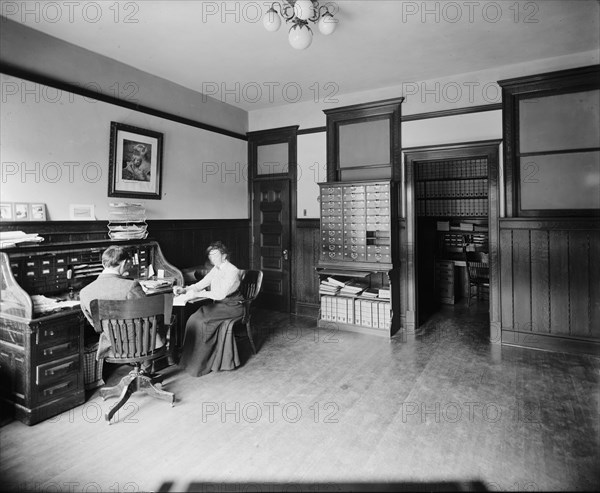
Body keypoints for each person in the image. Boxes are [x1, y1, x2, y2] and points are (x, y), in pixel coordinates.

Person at [80, 245, 164, 362]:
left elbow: (95, 324)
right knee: (164, 318)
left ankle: (142, 370)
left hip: (113, 345)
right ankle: (146, 368)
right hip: (140, 344)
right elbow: (149, 315)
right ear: (124, 263)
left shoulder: (84, 292)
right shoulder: (131, 286)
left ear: (103, 264)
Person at [174, 241, 244, 377]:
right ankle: (188, 362)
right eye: (210, 255)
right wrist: (185, 289)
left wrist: (198, 294)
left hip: (233, 306)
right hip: (220, 305)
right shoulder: (216, 269)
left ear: (224, 256)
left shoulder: (232, 270)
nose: (212, 258)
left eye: (215, 255)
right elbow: (201, 284)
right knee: (193, 319)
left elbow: (220, 294)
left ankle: (200, 366)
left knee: (202, 322)